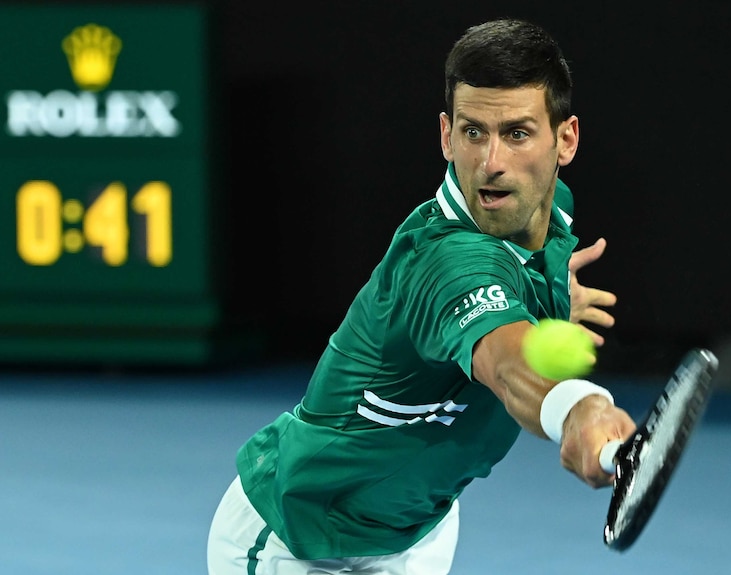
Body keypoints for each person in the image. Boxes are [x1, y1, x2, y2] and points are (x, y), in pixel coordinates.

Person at [207, 18, 637, 575]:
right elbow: (507, 362)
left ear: (566, 139)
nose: (491, 162)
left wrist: (551, 293)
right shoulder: (446, 260)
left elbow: (515, 284)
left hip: (416, 532)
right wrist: (578, 406)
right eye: (473, 132)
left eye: (518, 133)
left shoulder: (544, 215)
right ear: (446, 135)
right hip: (298, 535)